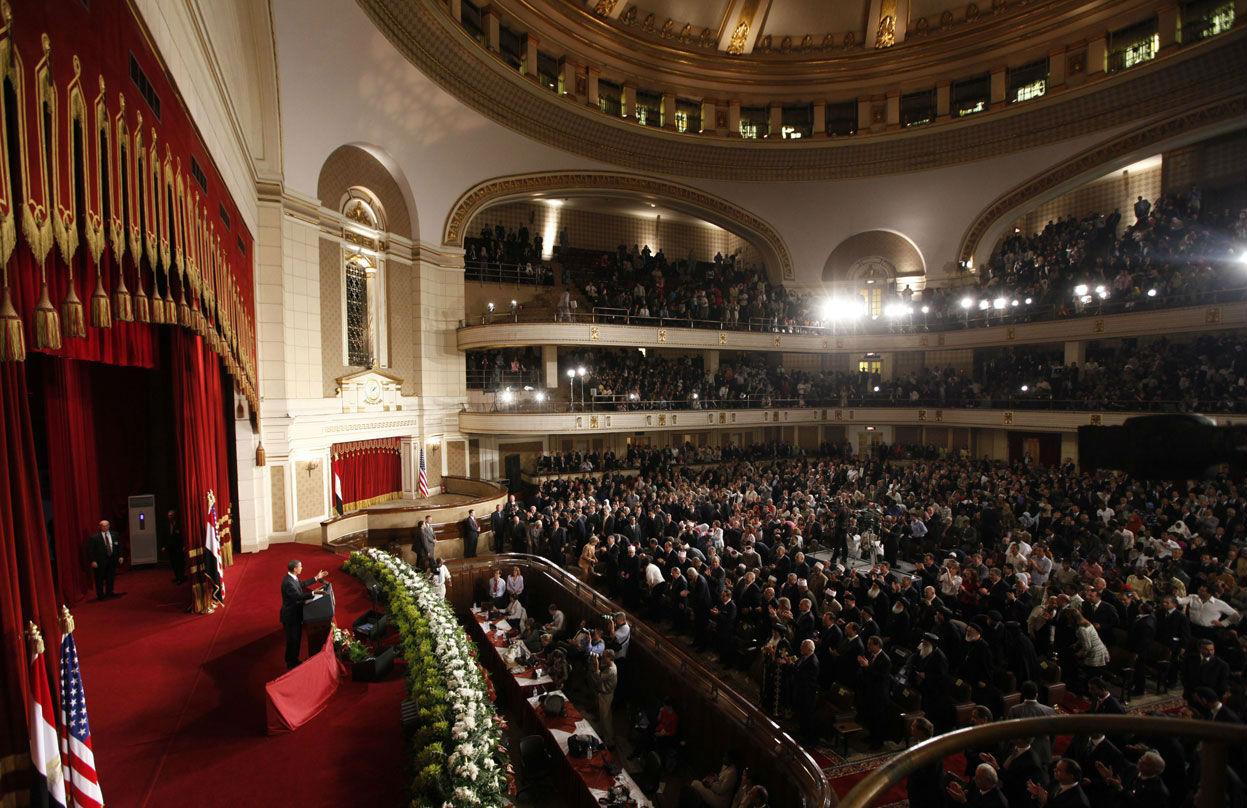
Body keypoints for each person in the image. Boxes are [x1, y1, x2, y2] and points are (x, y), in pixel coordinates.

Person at [280, 559, 328, 669]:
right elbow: (298, 596)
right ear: (295, 569)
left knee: (296, 639)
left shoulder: (292, 578)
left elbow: (301, 584)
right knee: (292, 640)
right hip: (290, 617)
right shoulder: (288, 582)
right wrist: (313, 592)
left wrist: (316, 577)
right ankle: (291, 663)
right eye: (300, 566)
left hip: (294, 614)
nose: (302, 568)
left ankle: (293, 660)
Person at [87, 519, 124, 600]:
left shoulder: (115, 534)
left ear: (109, 526)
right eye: (103, 526)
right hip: (100, 561)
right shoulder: (94, 537)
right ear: (100, 527)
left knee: (110, 577)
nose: (105, 527)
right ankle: (100, 595)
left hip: (112, 559)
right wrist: (93, 561)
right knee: (99, 578)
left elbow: (119, 546)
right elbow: (91, 551)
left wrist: (120, 556)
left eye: (107, 525)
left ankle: (110, 592)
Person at [589, 649, 618, 743]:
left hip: (606, 696)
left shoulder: (611, 670)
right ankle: (604, 735)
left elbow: (598, 676)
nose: (602, 657)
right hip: (604, 694)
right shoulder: (610, 665)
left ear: (609, 657)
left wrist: (596, 664)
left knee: (605, 718)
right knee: (604, 716)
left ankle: (609, 741)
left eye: (604, 656)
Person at [163, 509, 185, 585]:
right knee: (173, 563)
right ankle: (177, 577)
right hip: (170, 548)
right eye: (168, 515)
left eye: (171, 515)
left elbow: (182, 536)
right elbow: (166, 537)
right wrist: (164, 546)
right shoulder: (167, 525)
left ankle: (181, 578)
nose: (169, 517)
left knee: (179, 563)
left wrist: (184, 546)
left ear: (174, 516)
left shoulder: (179, 524)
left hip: (178, 548)